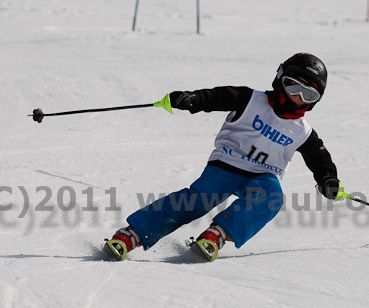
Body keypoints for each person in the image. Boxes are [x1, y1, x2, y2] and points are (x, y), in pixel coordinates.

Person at [104, 53, 344, 262]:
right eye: (293, 87)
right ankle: (134, 233)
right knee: (197, 201)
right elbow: (214, 97)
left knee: (271, 199)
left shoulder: (302, 131)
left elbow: (319, 157)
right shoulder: (250, 100)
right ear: (280, 80)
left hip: (263, 175)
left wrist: (328, 179)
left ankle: (218, 234)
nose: (297, 98)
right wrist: (192, 99)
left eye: (307, 95)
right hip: (227, 165)